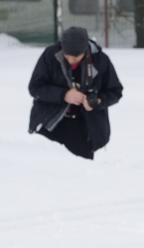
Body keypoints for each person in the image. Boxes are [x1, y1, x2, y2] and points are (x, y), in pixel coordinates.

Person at [28, 26, 123, 161]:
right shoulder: (50, 56)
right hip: (49, 123)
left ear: (85, 50)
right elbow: (35, 87)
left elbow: (115, 91)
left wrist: (97, 102)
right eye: (67, 56)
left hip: (83, 128)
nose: (71, 60)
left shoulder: (100, 60)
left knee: (81, 171)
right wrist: (63, 95)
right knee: (44, 167)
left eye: (76, 57)